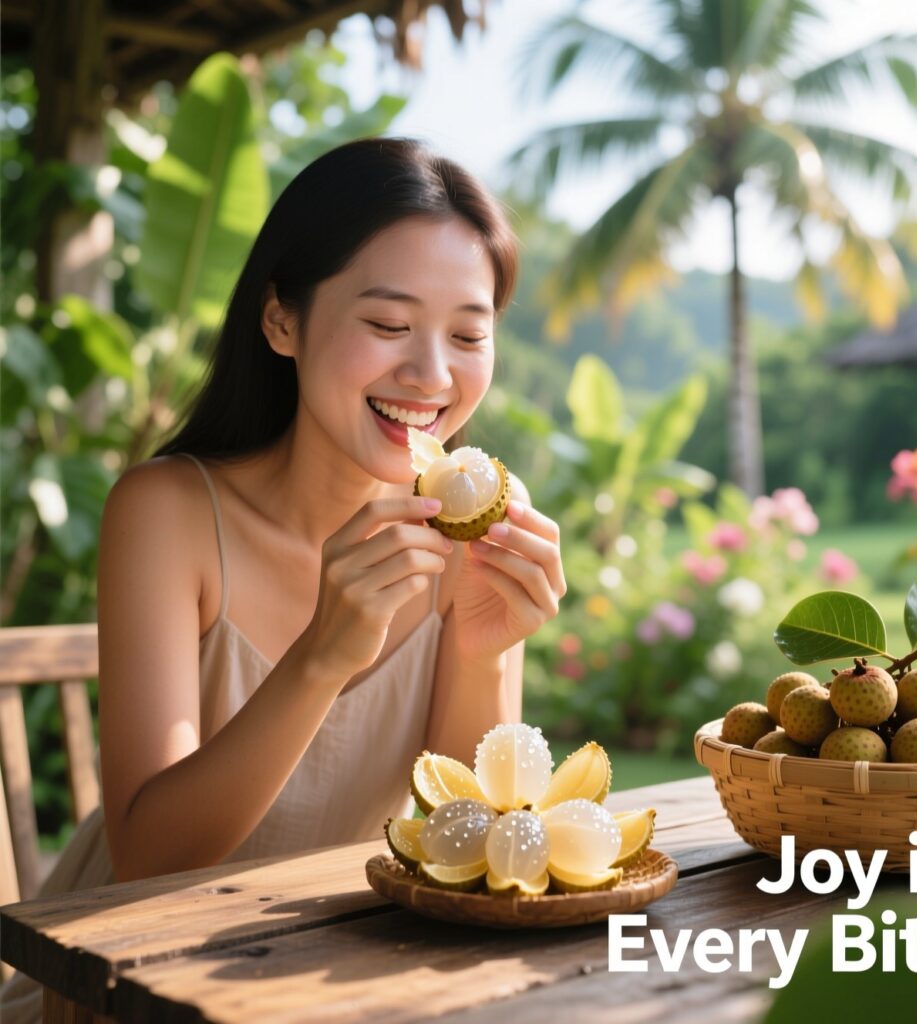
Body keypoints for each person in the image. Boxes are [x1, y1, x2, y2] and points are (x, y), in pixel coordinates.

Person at [1, 136, 566, 1020]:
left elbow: (468, 849)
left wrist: (487, 648)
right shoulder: (167, 512)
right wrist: (320, 657)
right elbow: (150, 861)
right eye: (387, 325)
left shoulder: (471, 524)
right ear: (282, 321)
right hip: (127, 987)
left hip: (335, 986)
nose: (431, 375)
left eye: (468, 334)